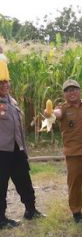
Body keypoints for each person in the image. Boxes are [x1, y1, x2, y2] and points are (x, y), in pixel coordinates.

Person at [47, 79, 82, 223]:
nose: (71, 92)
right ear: (64, 94)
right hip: (73, 153)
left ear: (79, 91)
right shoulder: (63, 108)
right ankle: (76, 211)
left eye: (74, 89)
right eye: (68, 90)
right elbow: (56, 114)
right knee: (74, 183)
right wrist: (50, 113)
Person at [0, 79, 43, 229]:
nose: (5, 85)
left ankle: (30, 210)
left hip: (17, 149)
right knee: (1, 186)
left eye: (7, 82)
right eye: (0, 83)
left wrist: (24, 149)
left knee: (24, 181)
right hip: (2, 152)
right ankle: (1, 219)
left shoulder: (12, 101)